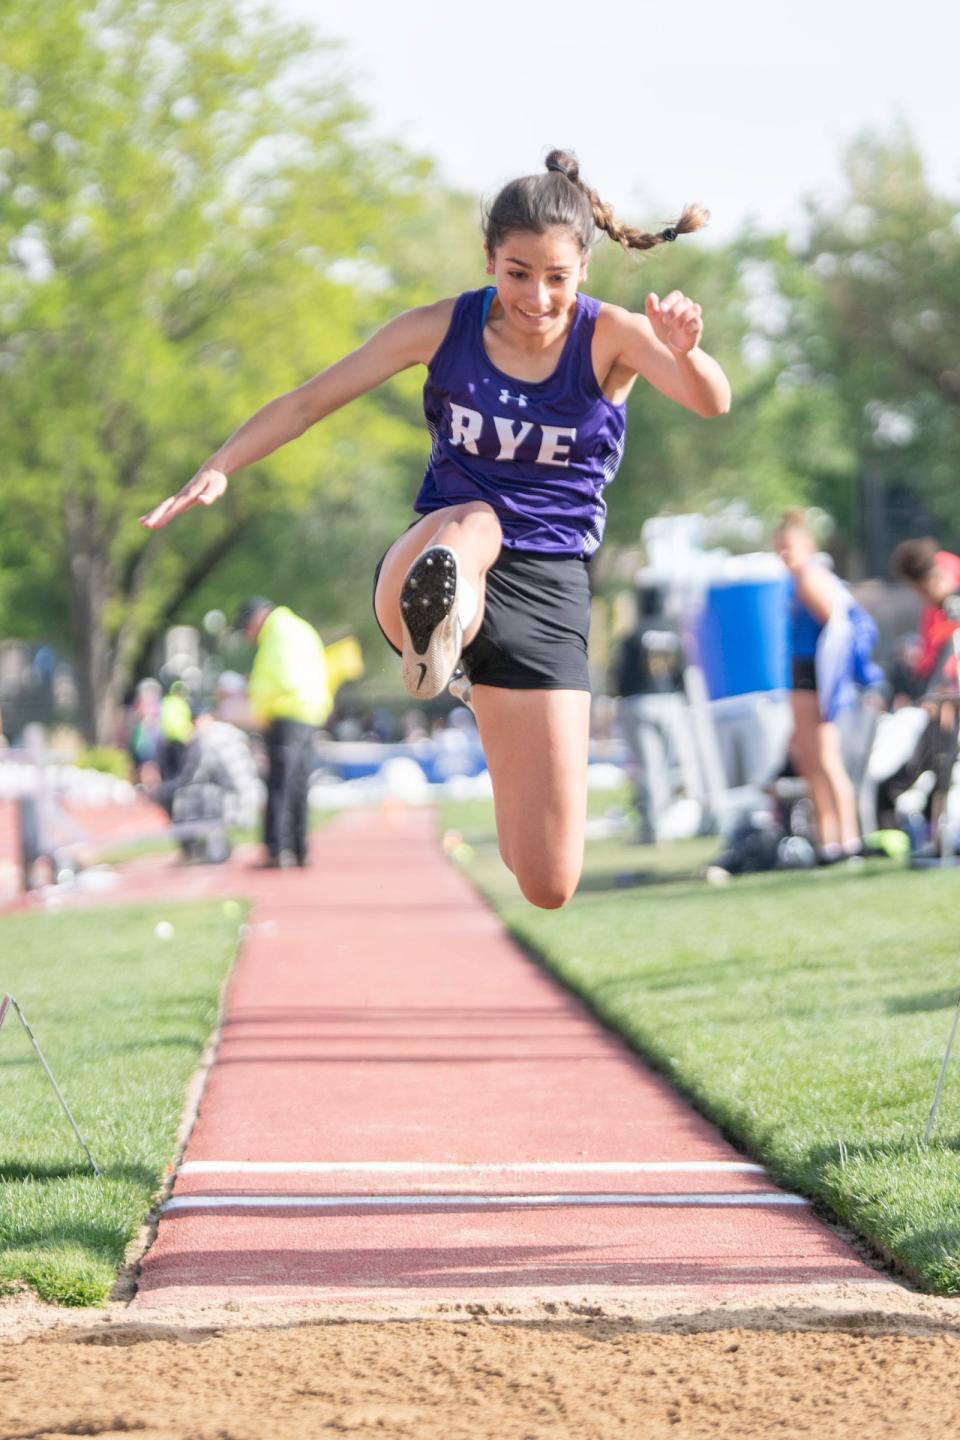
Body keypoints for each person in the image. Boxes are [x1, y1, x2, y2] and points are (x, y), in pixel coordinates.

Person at [141, 149, 731, 908]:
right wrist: (222, 463)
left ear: (584, 266)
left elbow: (709, 400)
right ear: (489, 260)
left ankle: (461, 670)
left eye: (556, 277)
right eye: (517, 273)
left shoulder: (610, 336)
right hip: (437, 552)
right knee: (479, 520)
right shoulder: (440, 329)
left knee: (547, 880)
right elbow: (307, 401)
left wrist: (687, 352)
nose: (536, 297)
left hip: (549, 590)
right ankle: (442, 620)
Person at [773, 509, 881, 863]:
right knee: (810, 762)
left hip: (812, 675)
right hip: (804, 674)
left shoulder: (809, 577)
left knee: (825, 760)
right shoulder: (800, 578)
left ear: (806, 545)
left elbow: (837, 631)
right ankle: (829, 839)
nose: (784, 554)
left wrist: (835, 683)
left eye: (789, 546)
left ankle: (846, 839)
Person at [237, 597, 332, 869]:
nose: (250, 636)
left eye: (247, 628)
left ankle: (277, 849)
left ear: (257, 617)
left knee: (279, 783)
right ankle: (300, 848)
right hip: (310, 711)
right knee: (299, 783)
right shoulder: (300, 627)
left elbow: (279, 677)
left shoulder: (276, 632)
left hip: (286, 711)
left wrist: (260, 707)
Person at [611, 581, 694, 843]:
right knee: (671, 766)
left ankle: (654, 827)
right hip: (670, 701)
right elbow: (683, 670)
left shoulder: (633, 633)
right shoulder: (674, 630)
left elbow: (620, 674)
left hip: (639, 702)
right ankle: (670, 821)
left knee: (649, 768)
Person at [891, 539, 960, 694]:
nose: (923, 599)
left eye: (922, 592)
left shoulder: (951, 598)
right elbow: (931, 647)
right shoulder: (938, 607)